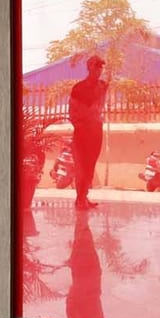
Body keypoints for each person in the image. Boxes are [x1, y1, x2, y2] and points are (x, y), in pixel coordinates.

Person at [68, 55, 108, 210]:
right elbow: (72, 111)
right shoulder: (78, 88)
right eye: (95, 66)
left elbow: (100, 107)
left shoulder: (103, 86)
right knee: (81, 166)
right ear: (89, 67)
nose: (98, 69)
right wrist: (83, 122)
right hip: (82, 132)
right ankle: (79, 200)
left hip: (96, 131)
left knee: (90, 166)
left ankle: (84, 197)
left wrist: (97, 119)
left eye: (100, 67)